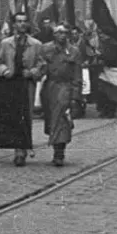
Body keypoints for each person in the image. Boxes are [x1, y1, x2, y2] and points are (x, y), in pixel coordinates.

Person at [0, 12, 46, 166]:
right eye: (18, 21)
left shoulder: (36, 44)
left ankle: (22, 150)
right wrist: (4, 70)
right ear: (14, 24)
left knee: (26, 116)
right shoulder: (5, 43)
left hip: (27, 84)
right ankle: (17, 147)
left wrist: (32, 72)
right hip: (11, 83)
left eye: (24, 21)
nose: (22, 24)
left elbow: (42, 65)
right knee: (13, 115)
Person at [39, 25, 83, 166]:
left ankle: (59, 153)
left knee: (62, 120)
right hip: (49, 87)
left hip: (65, 87)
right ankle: (56, 148)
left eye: (64, 32)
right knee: (52, 120)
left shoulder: (74, 51)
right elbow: (40, 67)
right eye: (58, 32)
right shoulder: (46, 49)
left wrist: (76, 96)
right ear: (53, 34)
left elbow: (77, 75)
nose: (62, 35)